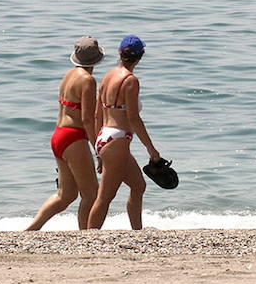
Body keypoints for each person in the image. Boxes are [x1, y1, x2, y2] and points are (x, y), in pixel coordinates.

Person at [26, 37, 104, 231]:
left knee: (66, 195)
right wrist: (97, 148)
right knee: (91, 194)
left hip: (59, 135)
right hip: (74, 138)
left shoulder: (68, 75)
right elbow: (87, 119)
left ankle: (30, 231)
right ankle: (85, 234)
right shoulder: (88, 80)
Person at [88, 36, 161, 230]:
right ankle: (88, 237)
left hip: (105, 138)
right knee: (105, 196)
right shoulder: (131, 81)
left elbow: (97, 116)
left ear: (119, 53)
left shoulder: (107, 76)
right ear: (140, 58)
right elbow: (133, 119)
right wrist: (151, 149)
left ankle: (137, 231)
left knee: (138, 186)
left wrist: (98, 150)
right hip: (117, 140)